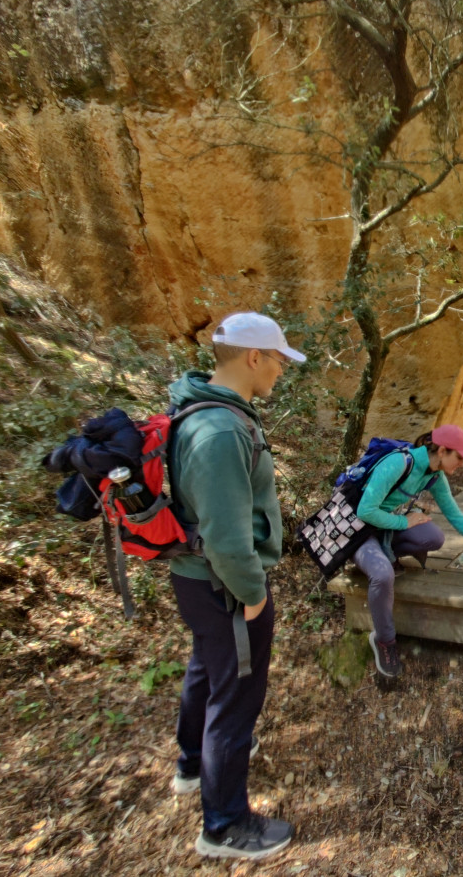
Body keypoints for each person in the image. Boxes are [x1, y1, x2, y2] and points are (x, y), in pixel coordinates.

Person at [167, 311, 305, 860]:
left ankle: (191, 765)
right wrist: (253, 594)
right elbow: (226, 537)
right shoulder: (222, 431)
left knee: (208, 669)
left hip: (199, 581)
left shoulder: (202, 408)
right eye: (277, 360)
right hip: (224, 585)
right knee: (236, 698)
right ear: (253, 358)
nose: (279, 371)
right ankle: (223, 826)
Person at [352, 424, 463, 678]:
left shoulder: (434, 475)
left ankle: (386, 553)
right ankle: (384, 641)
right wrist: (405, 522)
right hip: (357, 533)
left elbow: (454, 514)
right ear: (442, 450)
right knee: (382, 576)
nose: (462, 464)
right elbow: (365, 511)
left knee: (433, 536)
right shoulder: (399, 464)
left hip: (384, 529)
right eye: (459, 457)